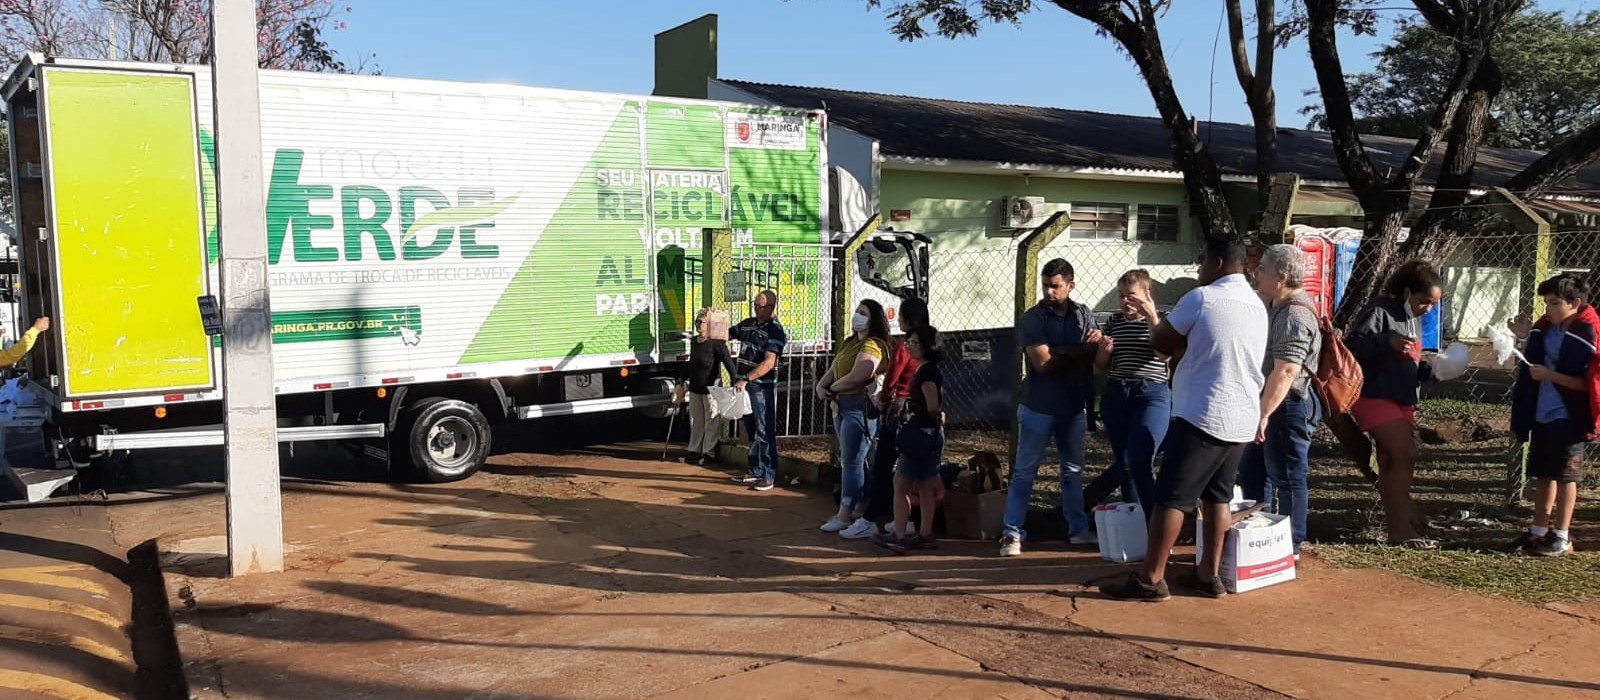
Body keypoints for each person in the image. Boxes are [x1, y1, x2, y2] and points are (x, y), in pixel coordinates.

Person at [1102, 237, 1267, 601]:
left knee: (1172, 497)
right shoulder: (1256, 304)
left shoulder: (1202, 297)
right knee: (1218, 497)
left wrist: (1171, 337)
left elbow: (1160, 342)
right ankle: (1209, 575)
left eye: (1202, 259)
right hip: (1242, 416)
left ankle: (1150, 580)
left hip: (1203, 414)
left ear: (1219, 262)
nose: (1198, 267)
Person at [1001, 258, 1102, 557]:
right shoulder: (1033, 318)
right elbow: (1043, 364)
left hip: (1073, 408)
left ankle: (1078, 530)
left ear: (1070, 286)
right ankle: (1012, 533)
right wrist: (1082, 351)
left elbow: (1097, 355)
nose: (1048, 291)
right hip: (1038, 406)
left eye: (1055, 286)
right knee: (1024, 472)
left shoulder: (1083, 314)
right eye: (1045, 285)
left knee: (1072, 471)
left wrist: (1065, 351)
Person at [1345, 260, 1442, 549]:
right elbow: (1352, 349)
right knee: (1404, 454)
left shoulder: (1412, 318)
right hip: (1373, 396)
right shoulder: (1380, 311)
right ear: (1407, 291)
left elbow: (1404, 360)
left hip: (1401, 397)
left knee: (1391, 461)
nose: (1428, 309)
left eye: (1434, 304)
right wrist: (1386, 341)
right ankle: (1401, 528)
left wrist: (1430, 371)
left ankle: (1398, 527)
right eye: (1424, 301)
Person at [1239, 244, 1323, 556]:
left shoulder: (1294, 313)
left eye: (1262, 268)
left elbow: (1287, 370)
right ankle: (1258, 534)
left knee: (1287, 476)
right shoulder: (1275, 304)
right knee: (1254, 472)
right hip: (1271, 402)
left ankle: (1292, 544)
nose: (1256, 272)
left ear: (1282, 276)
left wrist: (1263, 413)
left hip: (1287, 404)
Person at [1510, 273, 1600, 557]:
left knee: (1566, 476)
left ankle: (1562, 535)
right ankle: (1539, 532)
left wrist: (1551, 376)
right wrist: (1524, 337)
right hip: (1543, 413)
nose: (1547, 309)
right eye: (1546, 303)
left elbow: (1588, 384)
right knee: (1543, 474)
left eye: (1554, 303)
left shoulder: (1587, 332)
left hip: (1570, 417)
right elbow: (1534, 362)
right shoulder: (1546, 328)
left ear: (1574, 303)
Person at [1083, 269, 1170, 519]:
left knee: (1141, 458)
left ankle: (1156, 522)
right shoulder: (1114, 322)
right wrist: (1104, 350)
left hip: (1151, 392)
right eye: (1121, 296)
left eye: (1131, 295)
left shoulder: (1163, 321)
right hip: (1118, 391)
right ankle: (1136, 520)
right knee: (1125, 463)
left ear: (1147, 294)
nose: (1124, 301)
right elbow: (1101, 365)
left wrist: (1152, 316)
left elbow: (1166, 355)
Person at [816, 299, 891, 538]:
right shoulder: (851, 343)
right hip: (841, 405)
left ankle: (845, 514)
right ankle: (861, 506)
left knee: (852, 461)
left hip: (858, 406)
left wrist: (834, 388)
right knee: (856, 460)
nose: (857, 316)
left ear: (874, 319)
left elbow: (861, 374)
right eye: (857, 311)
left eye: (864, 313)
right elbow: (836, 367)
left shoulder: (873, 345)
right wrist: (822, 385)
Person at [864, 297, 930, 535]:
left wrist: (883, 399)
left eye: (901, 316)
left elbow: (893, 376)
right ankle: (907, 520)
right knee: (913, 470)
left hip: (899, 408)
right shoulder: (930, 342)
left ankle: (870, 517)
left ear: (908, 319)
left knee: (883, 465)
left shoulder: (905, 346)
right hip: (920, 410)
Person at [876, 325, 945, 552]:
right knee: (925, 484)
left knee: (901, 483)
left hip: (920, 434)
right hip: (929, 434)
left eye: (913, 343)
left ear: (926, 346)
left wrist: (931, 414)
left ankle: (900, 533)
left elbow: (932, 406)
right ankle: (924, 533)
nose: (909, 346)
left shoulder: (926, 373)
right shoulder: (926, 369)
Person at [732, 290, 788, 491]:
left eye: (760, 306)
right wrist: (713, 317)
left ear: (771, 307)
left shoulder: (775, 330)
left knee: (764, 429)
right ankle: (754, 469)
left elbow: (769, 362)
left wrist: (748, 378)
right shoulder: (749, 324)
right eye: (755, 305)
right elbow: (726, 333)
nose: (756, 309)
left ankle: (768, 474)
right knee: (752, 428)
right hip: (744, 385)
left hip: (760, 387)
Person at [682, 308, 736, 466]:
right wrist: (682, 378)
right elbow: (692, 362)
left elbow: (728, 362)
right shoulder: (694, 341)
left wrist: (735, 380)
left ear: (709, 324)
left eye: (702, 322)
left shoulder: (717, 344)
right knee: (696, 420)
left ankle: (708, 452)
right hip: (695, 387)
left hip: (711, 387)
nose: (699, 325)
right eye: (697, 322)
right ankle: (694, 450)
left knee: (711, 419)